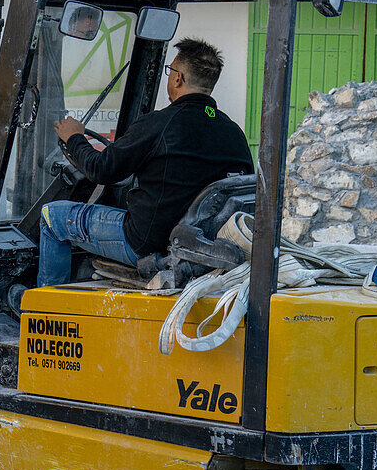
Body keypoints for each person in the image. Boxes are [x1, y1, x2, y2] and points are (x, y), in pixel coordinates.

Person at [37, 37, 253, 287]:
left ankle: (42, 311)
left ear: (177, 78)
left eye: (170, 70)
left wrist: (73, 137)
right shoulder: (234, 133)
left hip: (145, 243)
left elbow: (100, 169)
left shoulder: (159, 124)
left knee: (52, 217)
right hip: (200, 249)